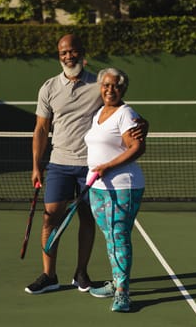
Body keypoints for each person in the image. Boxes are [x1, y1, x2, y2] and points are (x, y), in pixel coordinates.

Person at [26, 34, 147, 295]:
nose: (68, 56)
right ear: (59, 56)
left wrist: (143, 124)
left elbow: (121, 107)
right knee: (50, 220)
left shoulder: (98, 83)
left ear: (82, 53)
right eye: (63, 53)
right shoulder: (48, 88)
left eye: (72, 51)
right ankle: (49, 275)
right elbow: (40, 129)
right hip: (58, 164)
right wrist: (37, 165)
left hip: (91, 168)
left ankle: (81, 273)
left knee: (87, 221)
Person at [84, 68, 146, 312]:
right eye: (106, 85)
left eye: (116, 86)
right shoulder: (99, 112)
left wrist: (109, 165)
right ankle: (116, 282)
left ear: (123, 90)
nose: (110, 90)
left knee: (119, 237)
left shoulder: (126, 113)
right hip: (97, 187)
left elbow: (137, 147)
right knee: (110, 237)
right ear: (101, 87)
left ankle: (122, 293)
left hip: (123, 186)